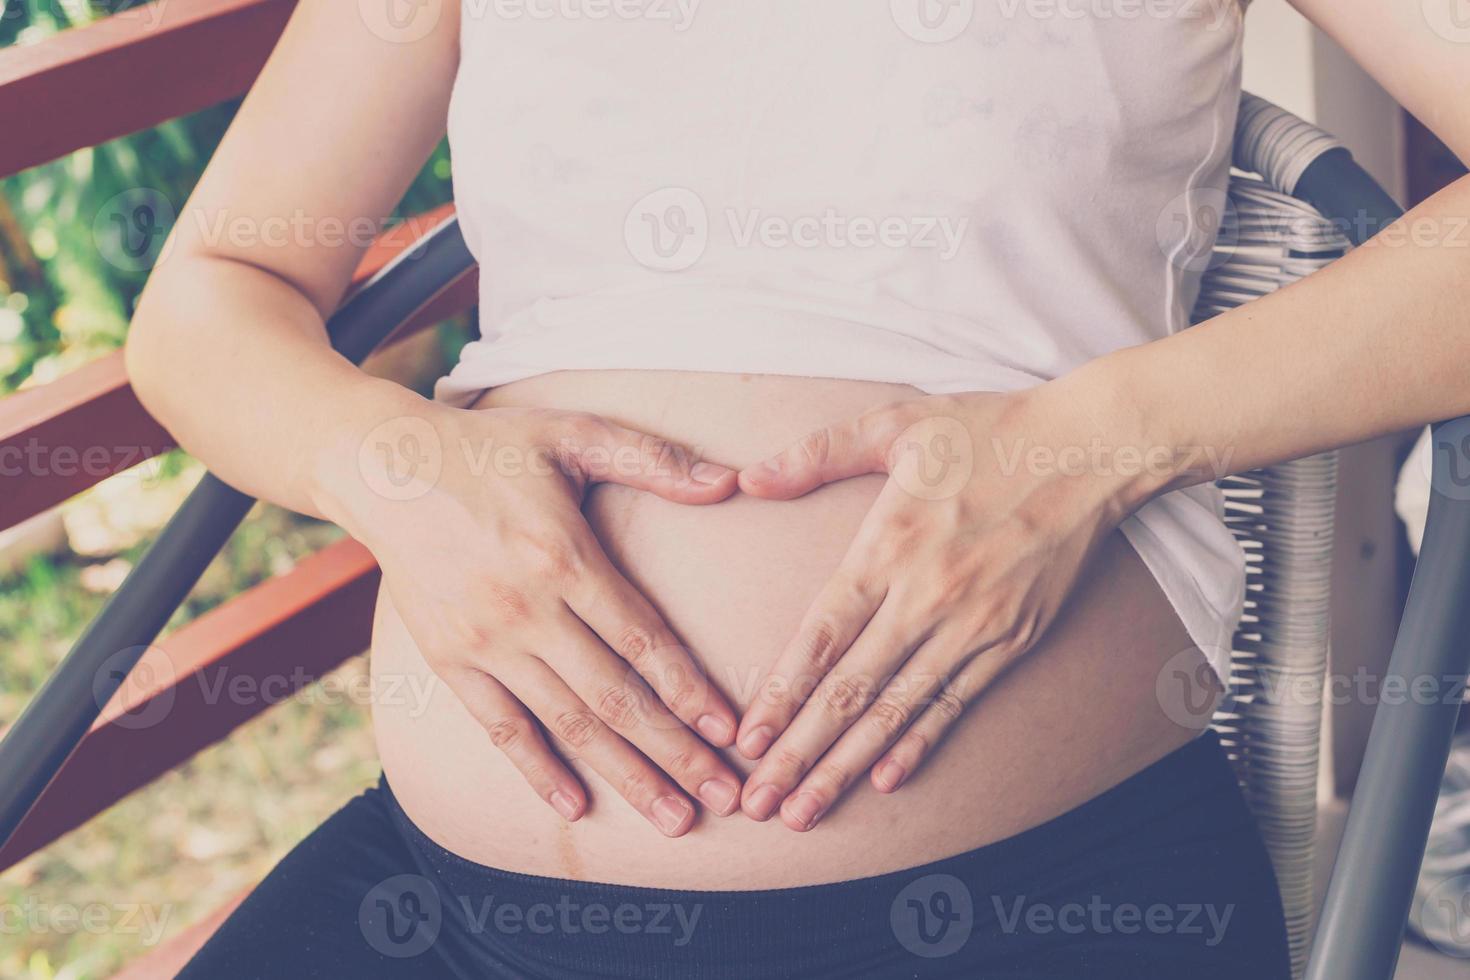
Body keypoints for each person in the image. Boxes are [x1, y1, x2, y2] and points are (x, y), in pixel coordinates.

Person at [123, 1, 1470, 976]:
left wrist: (1103, 433)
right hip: (443, 911)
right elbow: (211, 294)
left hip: (1014, 915)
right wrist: (399, 471)